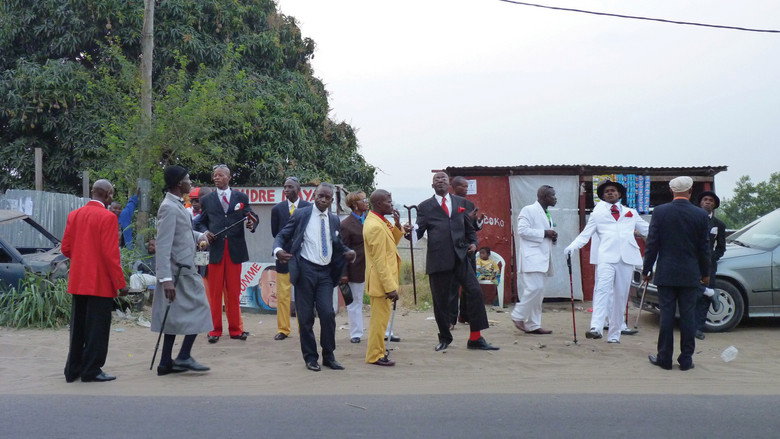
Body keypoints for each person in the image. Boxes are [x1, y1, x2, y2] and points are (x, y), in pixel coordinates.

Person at [407, 172, 498, 352]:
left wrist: (473, 243)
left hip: (461, 257)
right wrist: (409, 232)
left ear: (449, 184)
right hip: (438, 259)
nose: (440, 181)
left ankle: (475, 338)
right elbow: (417, 233)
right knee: (441, 301)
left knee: (475, 293)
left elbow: (469, 228)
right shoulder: (425, 207)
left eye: (443, 179)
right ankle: (444, 338)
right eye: (436, 180)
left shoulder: (461, 203)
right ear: (432, 185)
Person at [273, 183, 356, 371]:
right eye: (320, 196)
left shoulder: (334, 220)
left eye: (327, 198)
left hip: (326, 274)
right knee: (306, 318)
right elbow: (282, 235)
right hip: (305, 271)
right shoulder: (302, 215)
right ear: (314, 196)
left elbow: (337, 244)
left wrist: (348, 251)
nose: (323, 200)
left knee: (327, 313)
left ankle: (329, 355)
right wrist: (278, 250)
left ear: (331, 201)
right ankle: (310, 357)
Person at [564, 180, 649, 343]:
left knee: (620, 296)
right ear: (603, 196)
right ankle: (596, 327)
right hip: (606, 257)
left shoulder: (631, 212)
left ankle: (614, 335)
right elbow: (585, 235)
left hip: (627, 258)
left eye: (613, 191)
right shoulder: (597, 214)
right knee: (602, 289)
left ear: (620, 194)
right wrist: (572, 247)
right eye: (607, 191)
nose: (610, 193)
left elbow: (648, 229)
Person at [62, 179, 127, 382]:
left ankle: (73, 370)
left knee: (78, 327)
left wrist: (83, 259)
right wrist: (120, 283)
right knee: (97, 329)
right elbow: (110, 255)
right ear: (107, 194)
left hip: (79, 280)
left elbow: (65, 248)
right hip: (100, 282)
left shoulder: (75, 215)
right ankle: (91, 370)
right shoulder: (108, 217)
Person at [644, 176, 711, 371]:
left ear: (671, 191)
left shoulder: (660, 212)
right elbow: (704, 248)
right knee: (688, 317)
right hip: (691, 274)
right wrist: (705, 273)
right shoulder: (700, 215)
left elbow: (652, 244)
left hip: (666, 273)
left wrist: (647, 268)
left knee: (666, 316)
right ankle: (686, 360)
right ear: (690, 191)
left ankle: (664, 359)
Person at [151, 166, 213, 376]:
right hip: (178, 273)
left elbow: (183, 232)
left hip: (184, 270)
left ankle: (165, 362)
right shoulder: (168, 207)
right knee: (202, 308)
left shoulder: (177, 205)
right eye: (188, 179)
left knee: (174, 316)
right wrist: (165, 279)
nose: (191, 183)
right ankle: (184, 356)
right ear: (179, 184)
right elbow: (163, 244)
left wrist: (200, 236)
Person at [198, 165, 257, 343]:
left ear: (229, 178)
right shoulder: (207, 199)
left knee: (233, 291)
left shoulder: (241, 197)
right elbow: (201, 222)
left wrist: (252, 224)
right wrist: (205, 232)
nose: (216, 178)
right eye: (214, 175)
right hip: (215, 251)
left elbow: (251, 216)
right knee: (214, 293)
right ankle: (214, 330)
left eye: (220, 175)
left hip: (234, 250)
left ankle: (235, 330)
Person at [363, 189, 404, 366]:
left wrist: (397, 225)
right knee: (379, 322)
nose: (392, 204)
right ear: (379, 204)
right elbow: (380, 260)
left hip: (383, 281)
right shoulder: (375, 226)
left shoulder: (380, 221)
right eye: (388, 201)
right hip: (381, 283)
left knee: (381, 320)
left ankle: (379, 350)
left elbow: (391, 245)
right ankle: (375, 355)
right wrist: (390, 287)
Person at [511, 185, 558, 335]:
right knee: (534, 288)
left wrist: (553, 236)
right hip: (532, 258)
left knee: (539, 293)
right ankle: (518, 315)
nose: (555, 198)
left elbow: (546, 236)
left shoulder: (547, 213)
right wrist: (545, 233)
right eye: (552, 195)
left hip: (543, 258)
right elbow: (522, 231)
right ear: (544, 197)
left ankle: (533, 325)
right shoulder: (528, 209)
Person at [270, 177, 311, 340]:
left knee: (303, 295)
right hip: (283, 258)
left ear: (298, 189)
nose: (286, 190)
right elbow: (276, 233)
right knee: (283, 295)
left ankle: (304, 329)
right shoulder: (277, 209)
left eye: (290, 187)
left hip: (304, 257)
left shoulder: (309, 207)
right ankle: (283, 329)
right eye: (284, 187)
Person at [448, 176, 486, 328]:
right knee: (452, 285)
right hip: (453, 250)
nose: (465, 189)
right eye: (462, 186)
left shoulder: (469, 204)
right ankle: (451, 319)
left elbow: (473, 229)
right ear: (454, 187)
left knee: (469, 285)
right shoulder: (449, 203)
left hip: (468, 250)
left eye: (466, 186)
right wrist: (467, 219)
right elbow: (450, 225)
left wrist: (478, 222)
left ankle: (465, 315)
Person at [694, 190, 726, 340]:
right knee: (691, 292)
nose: (708, 202)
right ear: (700, 202)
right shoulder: (692, 219)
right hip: (691, 262)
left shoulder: (719, 224)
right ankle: (688, 326)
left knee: (704, 298)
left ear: (714, 205)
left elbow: (721, 247)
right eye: (705, 199)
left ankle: (698, 328)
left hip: (709, 265)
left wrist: (713, 257)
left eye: (711, 201)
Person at [339, 191, 368, 344]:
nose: (367, 202)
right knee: (355, 301)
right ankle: (356, 333)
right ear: (355, 205)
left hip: (373, 267)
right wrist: (343, 274)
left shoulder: (371, 219)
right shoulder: (345, 225)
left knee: (381, 300)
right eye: (364, 200)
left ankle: (385, 331)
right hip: (355, 268)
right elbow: (343, 250)